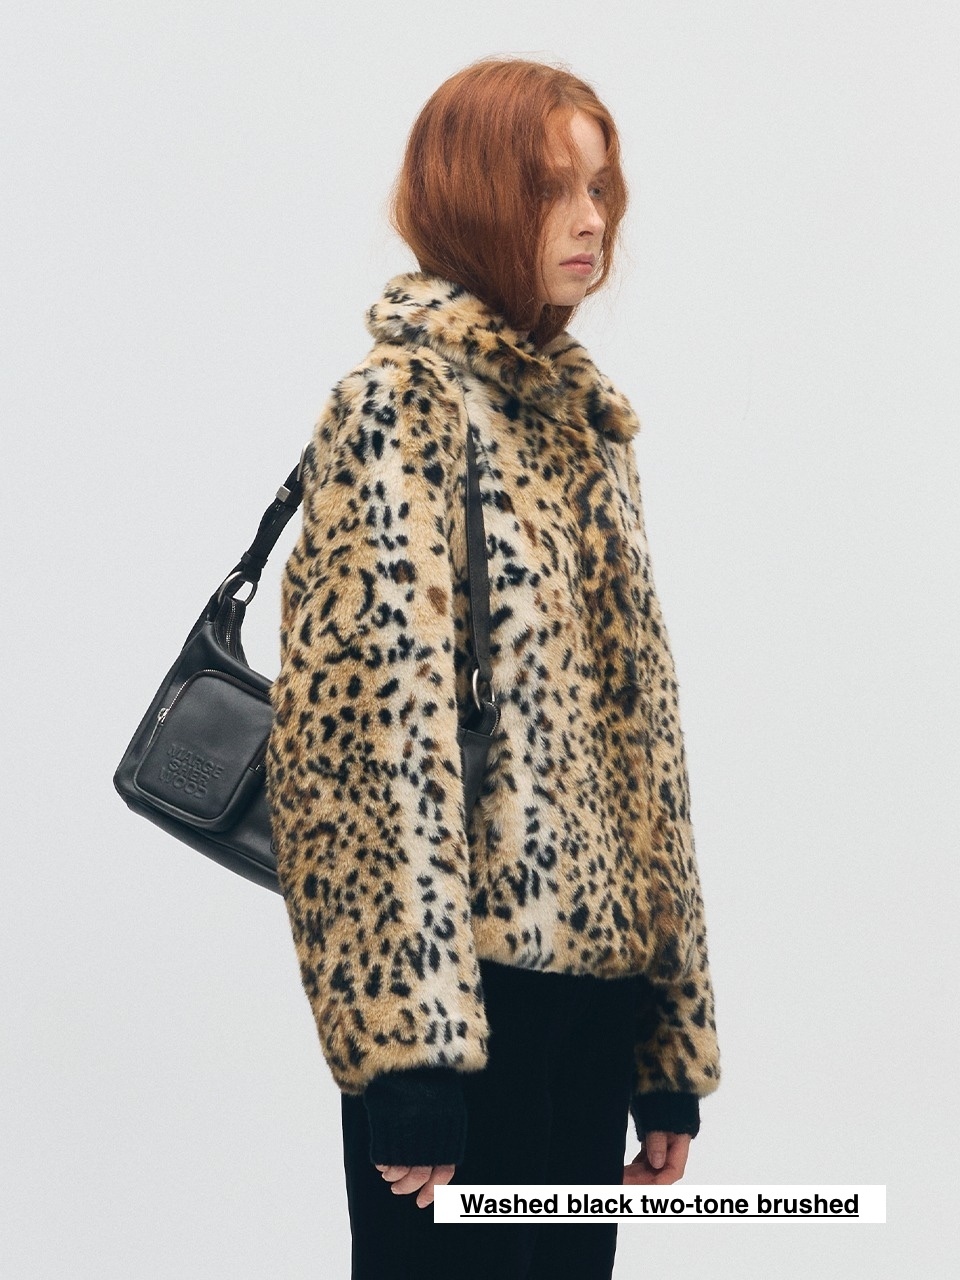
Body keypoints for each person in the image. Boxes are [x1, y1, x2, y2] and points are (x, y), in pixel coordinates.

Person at [264, 55, 721, 1280]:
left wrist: (664, 1045)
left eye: (600, 187)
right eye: (551, 189)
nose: (590, 219)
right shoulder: (397, 407)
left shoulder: (585, 425)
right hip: (464, 1012)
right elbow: (364, 753)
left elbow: (644, 754)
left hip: (593, 1006)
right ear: (473, 198)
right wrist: (407, 1056)